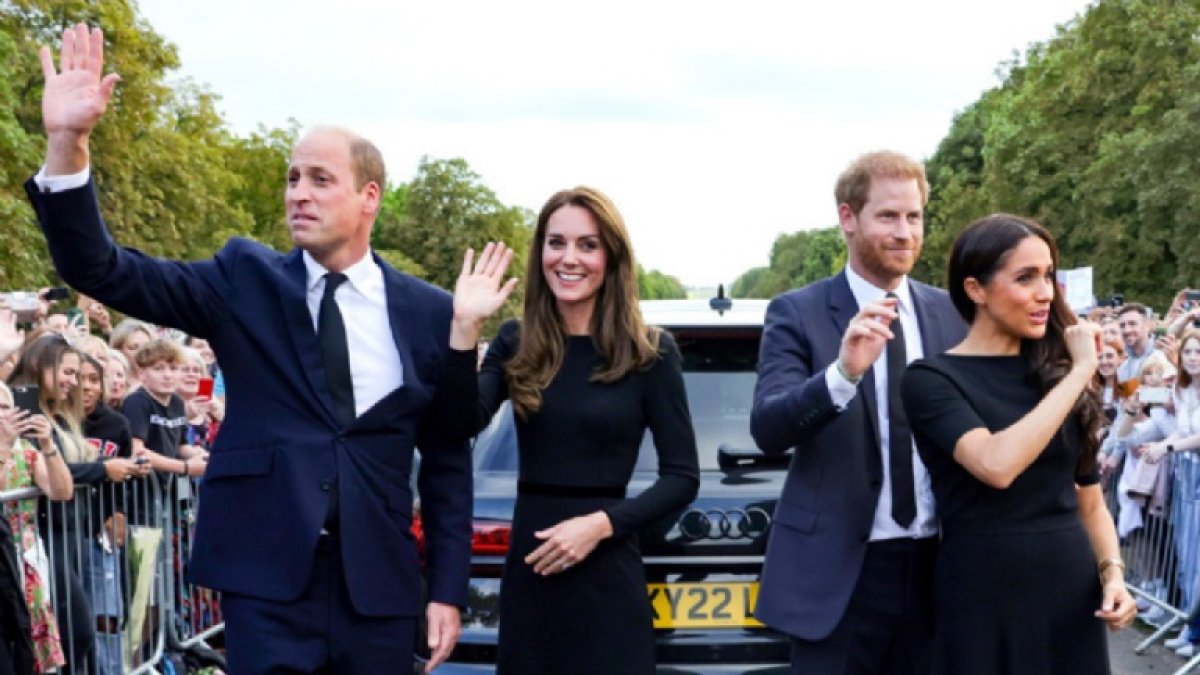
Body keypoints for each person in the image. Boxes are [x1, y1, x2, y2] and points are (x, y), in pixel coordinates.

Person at [26, 24, 475, 673]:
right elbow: (104, 269)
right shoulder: (243, 279)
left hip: (379, 587)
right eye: (292, 178)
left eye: (320, 179)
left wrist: (448, 589)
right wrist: (69, 144)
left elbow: (446, 460)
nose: (298, 192)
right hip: (267, 583)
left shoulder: (429, 312)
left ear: (369, 197)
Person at [454, 187, 700, 674]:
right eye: (556, 242)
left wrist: (599, 526)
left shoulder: (650, 352)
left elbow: (681, 478)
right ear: (540, 252)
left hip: (608, 576)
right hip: (532, 575)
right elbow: (460, 423)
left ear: (611, 258)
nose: (569, 258)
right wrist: (464, 327)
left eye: (588, 245)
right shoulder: (516, 341)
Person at [750, 151, 965, 674]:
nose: (905, 232)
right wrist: (842, 374)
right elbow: (769, 428)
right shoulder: (797, 312)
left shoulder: (952, 313)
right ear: (848, 217)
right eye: (888, 216)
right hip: (841, 579)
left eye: (914, 217)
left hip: (939, 573)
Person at [901, 214, 1135, 674]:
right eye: (1026, 278)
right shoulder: (931, 379)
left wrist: (1113, 575)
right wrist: (1080, 373)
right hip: (982, 600)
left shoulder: (1054, 374)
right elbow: (997, 464)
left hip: (1071, 597)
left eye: (1048, 275)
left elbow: (1090, 505)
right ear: (976, 289)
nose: (1045, 292)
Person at [0, 380, 73, 673]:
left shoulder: (25, 450)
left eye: (5, 407)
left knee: (29, 646)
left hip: (25, 560)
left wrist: (47, 444)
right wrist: (3, 447)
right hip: (3, 563)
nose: (2, 415)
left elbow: (62, 491)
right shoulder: (9, 446)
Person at [1117, 303, 1158, 384]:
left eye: (1132, 324)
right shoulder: (1122, 368)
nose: (1126, 330)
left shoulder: (1162, 357)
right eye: (1122, 325)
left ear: (1147, 326)